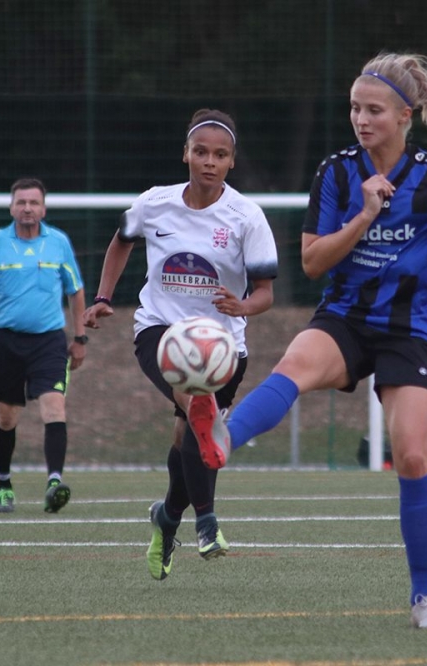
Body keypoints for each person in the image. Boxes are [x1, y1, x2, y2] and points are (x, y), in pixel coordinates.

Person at [185, 53, 427, 628]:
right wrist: (363, 216)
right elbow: (312, 262)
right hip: (346, 319)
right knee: (294, 363)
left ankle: (423, 599)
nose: (361, 119)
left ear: (405, 116)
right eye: (355, 108)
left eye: (374, 110)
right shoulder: (337, 173)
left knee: (411, 454)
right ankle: (221, 437)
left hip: (410, 332)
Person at [82, 108, 278, 581]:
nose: (210, 161)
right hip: (160, 330)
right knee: (198, 409)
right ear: (185, 154)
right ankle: (206, 523)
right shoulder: (154, 203)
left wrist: (242, 306)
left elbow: (266, 294)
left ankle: (168, 517)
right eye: (201, 152)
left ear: (232, 161)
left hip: (223, 346)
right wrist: (104, 297)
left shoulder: (247, 217)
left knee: (187, 438)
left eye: (220, 155)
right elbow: (121, 241)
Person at [0, 177, 87, 514]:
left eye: (34, 203)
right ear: (11, 207)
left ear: (43, 209)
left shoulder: (58, 242)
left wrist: (80, 338)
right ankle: (4, 484)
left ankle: (54, 484)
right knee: (6, 418)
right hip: (4, 342)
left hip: (49, 341)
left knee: (55, 408)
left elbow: (75, 291)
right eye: (21, 202)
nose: (27, 208)